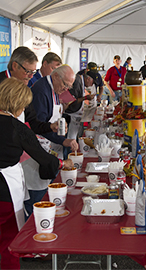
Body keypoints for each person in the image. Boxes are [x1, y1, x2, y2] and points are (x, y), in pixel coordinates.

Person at [0, 78, 74, 270]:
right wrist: (63, 162)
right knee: (8, 240)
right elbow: (43, 157)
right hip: (4, 191)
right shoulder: (17, 128)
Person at [22, 65, 78, 217]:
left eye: (69, 86)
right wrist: (63, 140)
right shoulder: (41, 91)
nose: (66, 89)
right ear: (56, 77)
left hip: (49, 149)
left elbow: (50, 120)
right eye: (65, 85)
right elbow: (38, 126)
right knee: (37, 199)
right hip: (36, 153)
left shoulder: (54, 88)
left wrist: (60, 129)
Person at [0, 46, 59, 134]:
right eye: (28, 71)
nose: (31, 76)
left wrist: (50, 126)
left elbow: (32, 121)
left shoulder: (25, 89)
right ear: (15, 66)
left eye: (33, 72)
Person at [65, 72, 99, 140]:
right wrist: (86, 98)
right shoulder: (77, 82)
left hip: (75, 114)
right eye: (92, 82)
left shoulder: (80, 81)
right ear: (88, 79)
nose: (92, 85)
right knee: (70, 138)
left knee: (73, 137)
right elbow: (71, 101)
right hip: (71, 114)